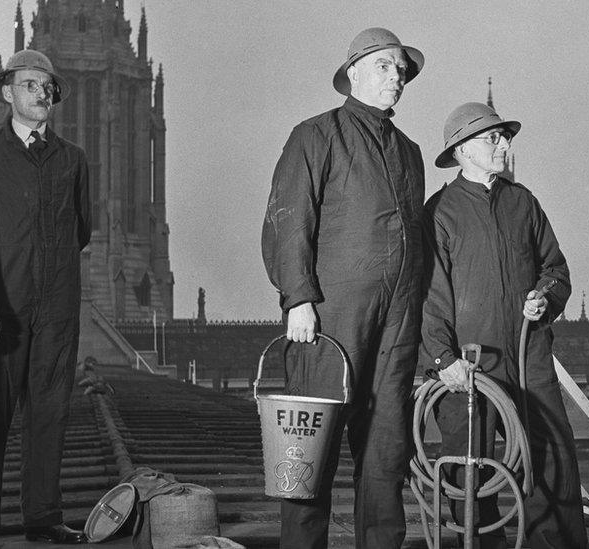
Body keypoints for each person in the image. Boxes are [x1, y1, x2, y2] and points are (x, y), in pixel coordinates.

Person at [261, 27, 425, 549]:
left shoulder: (411, 152)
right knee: (310, 451)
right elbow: (288, 220)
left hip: (397, 324)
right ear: (352, 73)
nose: (395, 77)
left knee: (386, 450)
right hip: (330, 319)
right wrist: (298, 298)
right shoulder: (316, 135)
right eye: (383, 65)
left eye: (401, 69)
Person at [420, 102, 588, 548]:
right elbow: (429, 296)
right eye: (491, 137)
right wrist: (443, 359)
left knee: (551, 459)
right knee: (469, 467)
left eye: (504, 136)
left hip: (528, 352)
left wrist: (544, 297)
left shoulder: (523, 202)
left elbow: (556, 269)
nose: (503, 144)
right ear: (460, 151)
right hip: (468, 365)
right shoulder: (439, 213)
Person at [0, 49, 91, 547]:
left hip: (57, 308)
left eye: (47, 87)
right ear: (7, 93)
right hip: (1, 309)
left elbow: (80, 231)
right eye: (30, 85)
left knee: (50, 412)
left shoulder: (73, 159)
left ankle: (43, 517)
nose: (41, 94)